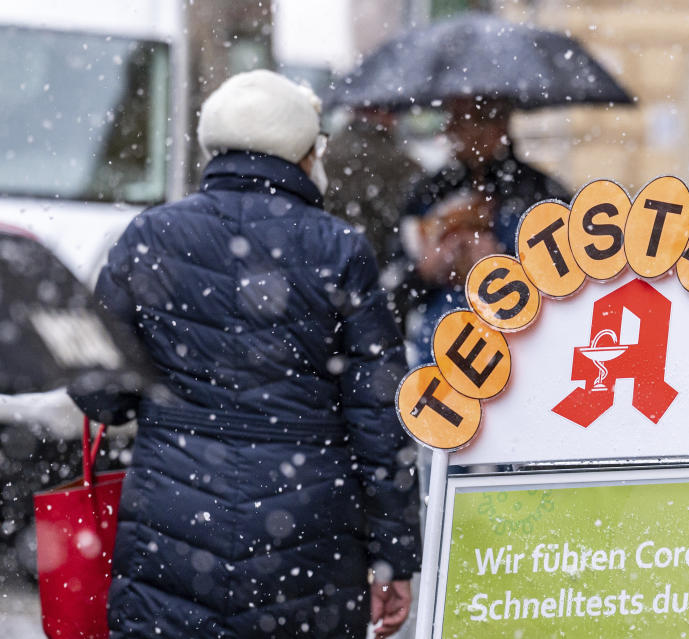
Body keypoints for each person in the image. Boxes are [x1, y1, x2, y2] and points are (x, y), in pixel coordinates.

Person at [69, 70, 420, 639]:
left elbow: (98, 393)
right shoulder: (341, 250)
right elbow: (382, 416)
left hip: (171, 524)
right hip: (308, 537)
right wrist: (394, 556)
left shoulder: (148, 237)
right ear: (306, 154)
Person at [400, 98, 569, 363]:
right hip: (436, 351)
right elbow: (392, 281)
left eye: (462, 120)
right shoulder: (430, 191)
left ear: (496, 127)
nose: (449, 129)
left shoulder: (538, 194)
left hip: (517, 351)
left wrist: (500, 266)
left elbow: (563, 283)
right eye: (450, 118)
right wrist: (424, 271)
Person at [323, 107, 424, 326]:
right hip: (378, 285)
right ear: (387, 114)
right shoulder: (404, 166)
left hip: (328, 282)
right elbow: (409, 233)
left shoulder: (324, 155)